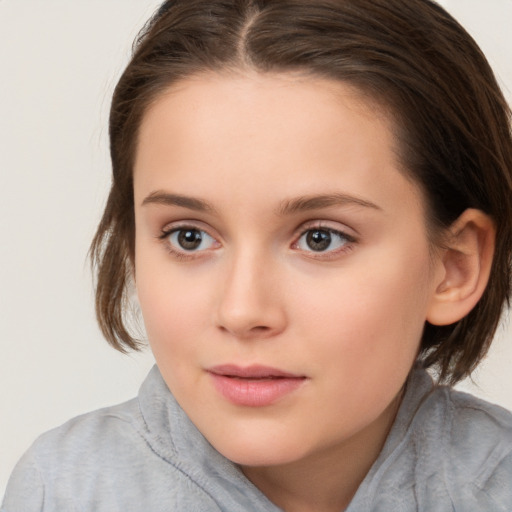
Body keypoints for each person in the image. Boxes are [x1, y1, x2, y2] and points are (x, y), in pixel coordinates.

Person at [3, 0, 512, 510]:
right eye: (189, 237)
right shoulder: (62, 493)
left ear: (453, 266)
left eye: (320, 238)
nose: (242, 311)